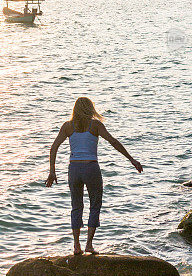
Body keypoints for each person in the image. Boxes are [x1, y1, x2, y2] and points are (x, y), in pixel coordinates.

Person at [46, 97, 143, 255]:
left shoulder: (68, 126)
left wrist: (52, 171)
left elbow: (54, 147)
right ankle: (89, 245)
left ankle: (76, 246)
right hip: (91, 167)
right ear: (90, 108)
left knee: (76, 206)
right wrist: (131, 159)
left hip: (74, 169)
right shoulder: (95, 125)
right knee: (95, 205)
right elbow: (113, 142)